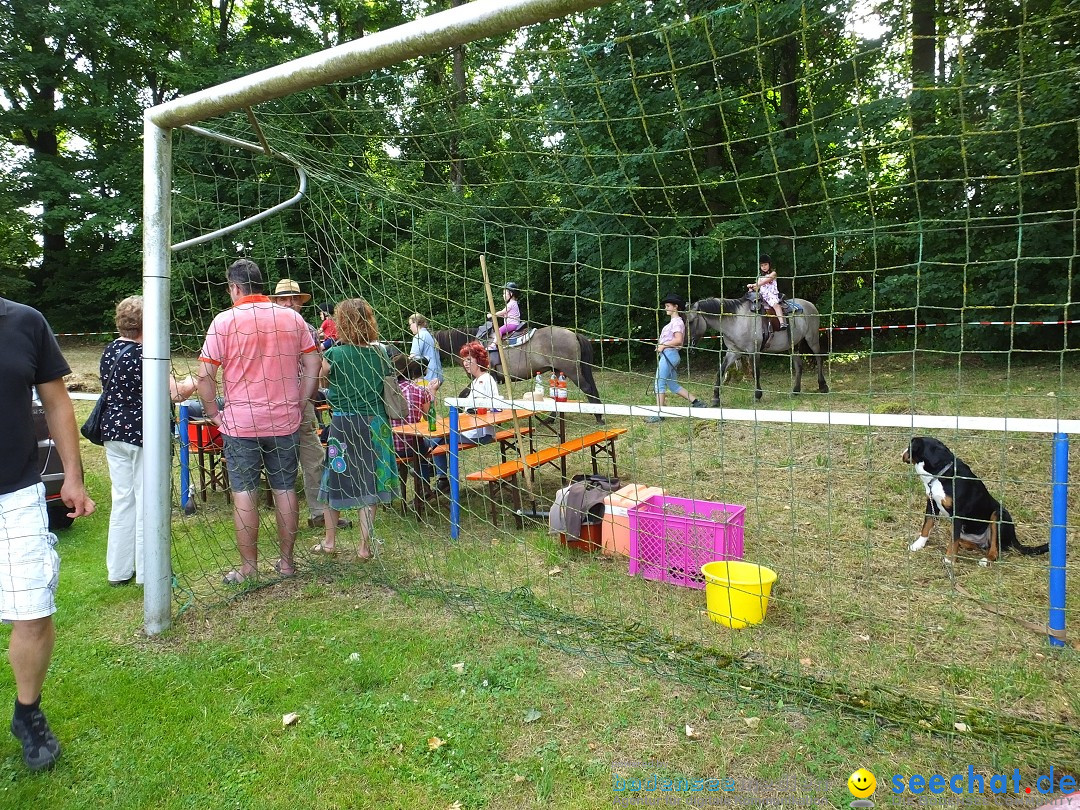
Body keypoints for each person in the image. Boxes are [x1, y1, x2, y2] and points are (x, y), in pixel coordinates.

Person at [1, 297, 95, 771]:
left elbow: (57, 402)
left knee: (33, 610)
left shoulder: (25, 321)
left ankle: (27, 712)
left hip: (15, 494)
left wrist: (73, 477)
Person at [197, 260, 320, 584]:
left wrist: (213, 414)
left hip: (240, 422)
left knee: (244, 492)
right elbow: (313, 361)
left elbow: (204, 376)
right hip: (284, 420)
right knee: (284, 489)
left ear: (235, 288)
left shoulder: (224, 321)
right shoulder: (292, 318)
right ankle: (287, 563)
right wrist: (301, 399)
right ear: (261, 285)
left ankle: (249, 567)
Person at [97, 295, 197, 587]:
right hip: (142, 435)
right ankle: (146, 571)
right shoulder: (147, 354)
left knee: (123, 500)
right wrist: (199, 377)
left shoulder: (110, 350)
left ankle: (118, 570)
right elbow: (176, 393)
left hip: (113, 434)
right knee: (147, 500)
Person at [315, 298, 398, 560]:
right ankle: (364, 547)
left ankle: (330, 542)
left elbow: (321, 378)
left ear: (342, 323)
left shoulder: (334, 354)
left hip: (344, 424)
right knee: (370, 481)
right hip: (376, 424)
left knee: (335, 479)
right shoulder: (382, 352)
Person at [267, 280, 348, 530]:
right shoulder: (263, 328)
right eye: (283, 298)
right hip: (268, 403)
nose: (289, 302)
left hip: (300, 403)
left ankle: (317, 513)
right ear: (276, 302)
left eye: (294, 298)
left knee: (314, 458)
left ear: (301, 303)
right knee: (276, 460)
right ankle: (283, 517)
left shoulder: (310, 330)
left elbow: (316, 369)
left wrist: (309, 400)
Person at [430, 341, 500, 491]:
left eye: (469, 360)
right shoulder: (477, 381)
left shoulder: (485, 380)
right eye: (464, 360)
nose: (465, 364)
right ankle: (436, 471)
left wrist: (470, 412)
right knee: (437, 437)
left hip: (479, 433)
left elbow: (490, 407)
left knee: (436, 437)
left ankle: (430, 468)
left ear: (479, 360)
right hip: (473, 429)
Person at [645, 293, 705, 424]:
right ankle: (696, 402)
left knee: (659, 383)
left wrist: (663, 345)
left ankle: (660, 414)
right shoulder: (674, 322)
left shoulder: (677, 322)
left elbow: (678, 340)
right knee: (672, 385)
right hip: (669, 355)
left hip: (669, 355)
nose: (666, 308)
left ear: (675, 307)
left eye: (667, 306)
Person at [387, 348, 434, 492]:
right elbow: (430, 418)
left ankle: (392, 491)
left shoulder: (385, 391)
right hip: (413, 447)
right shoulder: (419, 390)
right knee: (428, 445)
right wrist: (432, 393)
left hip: (390, 448)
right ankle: (425, 487)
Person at [747, 254, 786, 330]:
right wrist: (751, 288)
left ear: (769, 265)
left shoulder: (773, 274)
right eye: (762, 265)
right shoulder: (759, 277)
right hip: (762, 295)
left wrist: (754, 284)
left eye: (765, 265)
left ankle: (782, 322)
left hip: (771, 295)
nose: (764, 267)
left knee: (775, 305)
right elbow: (757, 287)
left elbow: (765, 281)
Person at [408, 313, 444, 395]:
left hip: (428, 376)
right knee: (431, 401)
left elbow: (414, 357)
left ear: (416, 323)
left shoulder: (419, 336)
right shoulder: (429, 334)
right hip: (437, 374)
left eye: (410, 324)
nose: (410, 327)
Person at [483, 281, 523, 348]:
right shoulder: (513, 303)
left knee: (499, 330)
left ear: (511, 293)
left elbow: (502, 312)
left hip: (512, 324)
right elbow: (503, 315)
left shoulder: (511, 304)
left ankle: (493, 345)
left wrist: (492, 315)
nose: (503, 295)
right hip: (514, 324)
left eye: (505, 293)